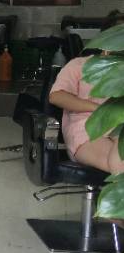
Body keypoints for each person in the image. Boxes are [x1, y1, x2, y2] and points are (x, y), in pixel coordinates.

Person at [48, 10, 124, 174]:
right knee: (120, 164)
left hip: (119, 126)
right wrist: (99, 109)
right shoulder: (79, 65)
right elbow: (56, 96)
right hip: (86, 129)